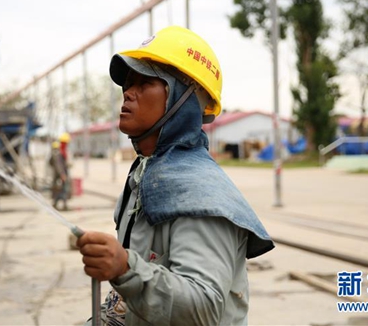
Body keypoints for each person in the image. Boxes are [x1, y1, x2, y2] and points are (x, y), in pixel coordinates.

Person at [77, 25, 274, 325]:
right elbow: (130, 303)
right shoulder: (146, 176)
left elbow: (203, 308)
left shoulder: (202, 194)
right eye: (128, 83)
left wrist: (125, 269)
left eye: (145, 82)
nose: (128, 93)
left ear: (183, 100)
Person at [49, 140, 70, 210]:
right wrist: (62, 174)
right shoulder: (57, 154)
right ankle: (64, 204)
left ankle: (56, 203)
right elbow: (59, 165)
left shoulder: (53, 154)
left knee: (56, 189)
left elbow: (50, 163)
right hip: (60, 175)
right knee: (63, 189)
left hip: (56, 175)